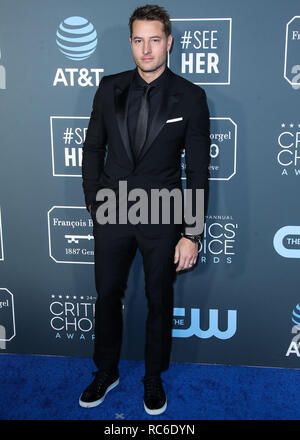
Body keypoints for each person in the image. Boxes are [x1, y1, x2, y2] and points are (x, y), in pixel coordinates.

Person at [79, 4, 210, 415]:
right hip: (113, 212)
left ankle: (153, 377)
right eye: (139, 40)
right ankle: (106, 370)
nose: (147, 49)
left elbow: (199, 170)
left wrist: (192, 232)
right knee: (107, 295)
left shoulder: (191, 96)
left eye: (155, 40)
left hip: (162, 215)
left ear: (169, 42)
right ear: (131, 43)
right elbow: (93, 149)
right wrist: (95, 203)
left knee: (159, 299)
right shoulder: (109, 87)